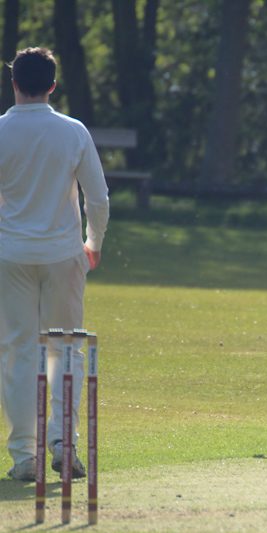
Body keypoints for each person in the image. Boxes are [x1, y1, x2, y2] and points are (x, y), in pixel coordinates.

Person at [0, 47, 109, 481]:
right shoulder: (73, 131)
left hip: (12, 256)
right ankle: (64, 445)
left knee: (19, 352)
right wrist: (94, 243)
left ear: (13, 84)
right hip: (64, 254)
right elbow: (97, 198)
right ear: (52, 85)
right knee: (65, 350)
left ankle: (24, 455)